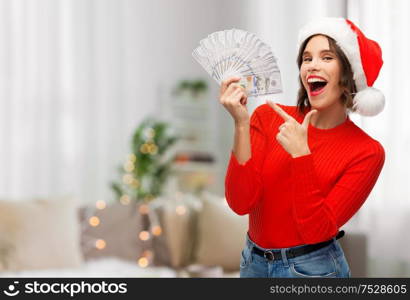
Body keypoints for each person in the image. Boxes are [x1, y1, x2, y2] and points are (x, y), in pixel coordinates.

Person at [220, 17, 385, 278]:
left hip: (313, 270)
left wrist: (301, 155)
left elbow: (317, 231)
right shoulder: (267, 116)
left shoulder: (367, 152)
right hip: (253, 263)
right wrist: (241, 123)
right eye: (307, 59)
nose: (312, 66)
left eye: (327, 57)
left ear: (348, 75)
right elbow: (240, 203)